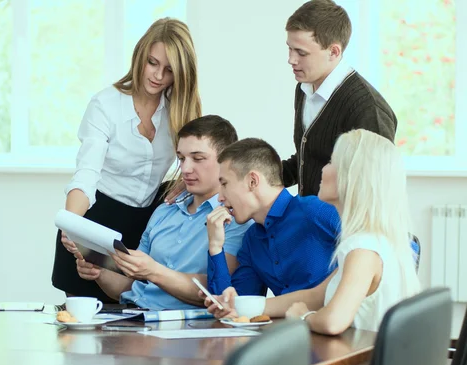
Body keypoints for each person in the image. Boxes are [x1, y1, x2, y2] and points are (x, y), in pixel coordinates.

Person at [207, 130, 421, 334]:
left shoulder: (356, 243)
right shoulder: (253, 241)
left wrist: (303, 316)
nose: (321, 169)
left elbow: (331, 320)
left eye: (331, 162)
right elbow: (314, 296)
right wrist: (217, 251)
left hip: (349, 352)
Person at [52, 18, 202, 303]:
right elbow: (86, 175)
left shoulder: (179, 109)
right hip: (97, 221)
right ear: (140, 55)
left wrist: (182, 183)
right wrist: (73, 225)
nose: (158, 76)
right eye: (152, 62)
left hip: (145, 229)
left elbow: (199, 159)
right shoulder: (105, 105)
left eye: (169, 70)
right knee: (82, 331)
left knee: (136, 328)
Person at [76, 116, 251, 310]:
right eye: (182, 158)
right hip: (137, 317)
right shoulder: (164, 211)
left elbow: (216, 290)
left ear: (227, 161)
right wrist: (99, 273)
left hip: (190, 329)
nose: (185, 169)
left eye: (198, 158)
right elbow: (137, 289)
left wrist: (153, 271)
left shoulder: (236, 219)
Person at [283, 0, 397, 196]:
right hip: (310, 220)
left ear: (333, 52)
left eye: (301, 53)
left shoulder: (367, 108)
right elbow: (308, 159)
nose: (291, 60)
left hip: (342, 226)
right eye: (290, 48)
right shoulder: (303, 88)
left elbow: (373, 192)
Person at [206, 138, 339, 297]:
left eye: (225, 184)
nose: (220, 197)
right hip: (287, 321)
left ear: (252, 181)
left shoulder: (315, 211)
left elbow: (370, 252)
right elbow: (235, 308)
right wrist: (215, 247)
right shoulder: (252, 242)